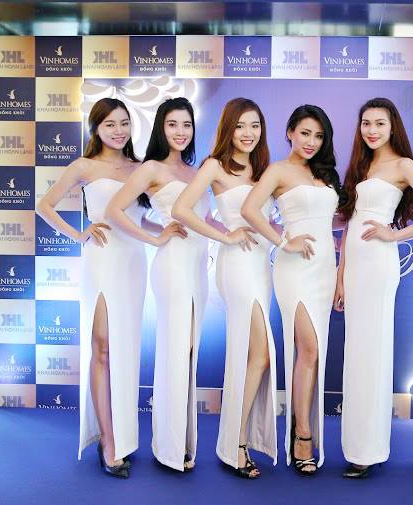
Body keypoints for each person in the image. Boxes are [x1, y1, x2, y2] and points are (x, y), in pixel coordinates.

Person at [335, 97, 413, 478]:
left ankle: (368, 450)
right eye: (366, 123)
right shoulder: (361, 165)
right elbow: (349, 224)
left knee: (373, 352)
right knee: (356, 353)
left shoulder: (404, 165)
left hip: (379, 265)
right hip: (355, 267)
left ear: (392, 126)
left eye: (379, 123)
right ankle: (358, 446)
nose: (371, 130)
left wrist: (395, 235)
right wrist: (340, 276)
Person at [36, 98, 152, 479]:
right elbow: (44, 205)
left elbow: (141, 221)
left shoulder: (141, 167)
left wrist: (165, 233)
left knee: (125, 350)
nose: (119, 131)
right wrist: (79, 234)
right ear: (96, 129)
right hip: (101, 261)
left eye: (124, 123)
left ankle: (124, 432)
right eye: (110, 125)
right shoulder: (84, 166)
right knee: (101, 347)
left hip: (134, 263)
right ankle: (108, 440)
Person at [172, 98, 275, 479]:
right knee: (259, 353)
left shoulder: (264, 169)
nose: (248, 134)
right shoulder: (214, 166)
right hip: (236, 265)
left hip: (261, 266)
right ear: (228, 129)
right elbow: (182, 209)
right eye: (240, 126)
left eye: (255, 126)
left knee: (253, 354)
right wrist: (225, 235)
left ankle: (234, 439)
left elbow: (270, 219)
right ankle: (236, 441)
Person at [241, 104, 345, 476]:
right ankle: (302, 435)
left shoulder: (326, 174)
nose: (311, 141)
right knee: (309, 348)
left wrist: (344, 264)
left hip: (324, 269)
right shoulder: (278, 170)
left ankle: (302, 430)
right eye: (304, 133)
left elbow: (335, 221)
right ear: (289, 132)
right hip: (294, 269)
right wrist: (284, 240)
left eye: (318, 136)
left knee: (313, 354)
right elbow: (251, 209)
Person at [106, 97, 204, 473]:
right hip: (173, 266)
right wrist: (156, 237)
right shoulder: (151, 168)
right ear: (161, 128)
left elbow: (203, 218)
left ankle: (180, 443)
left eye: (187, 124)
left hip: (197, 266)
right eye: (172, 124)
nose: (180, 132)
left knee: (189, 351)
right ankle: (169, 449)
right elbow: (115, 210)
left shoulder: (196, 171)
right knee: (175, 351)